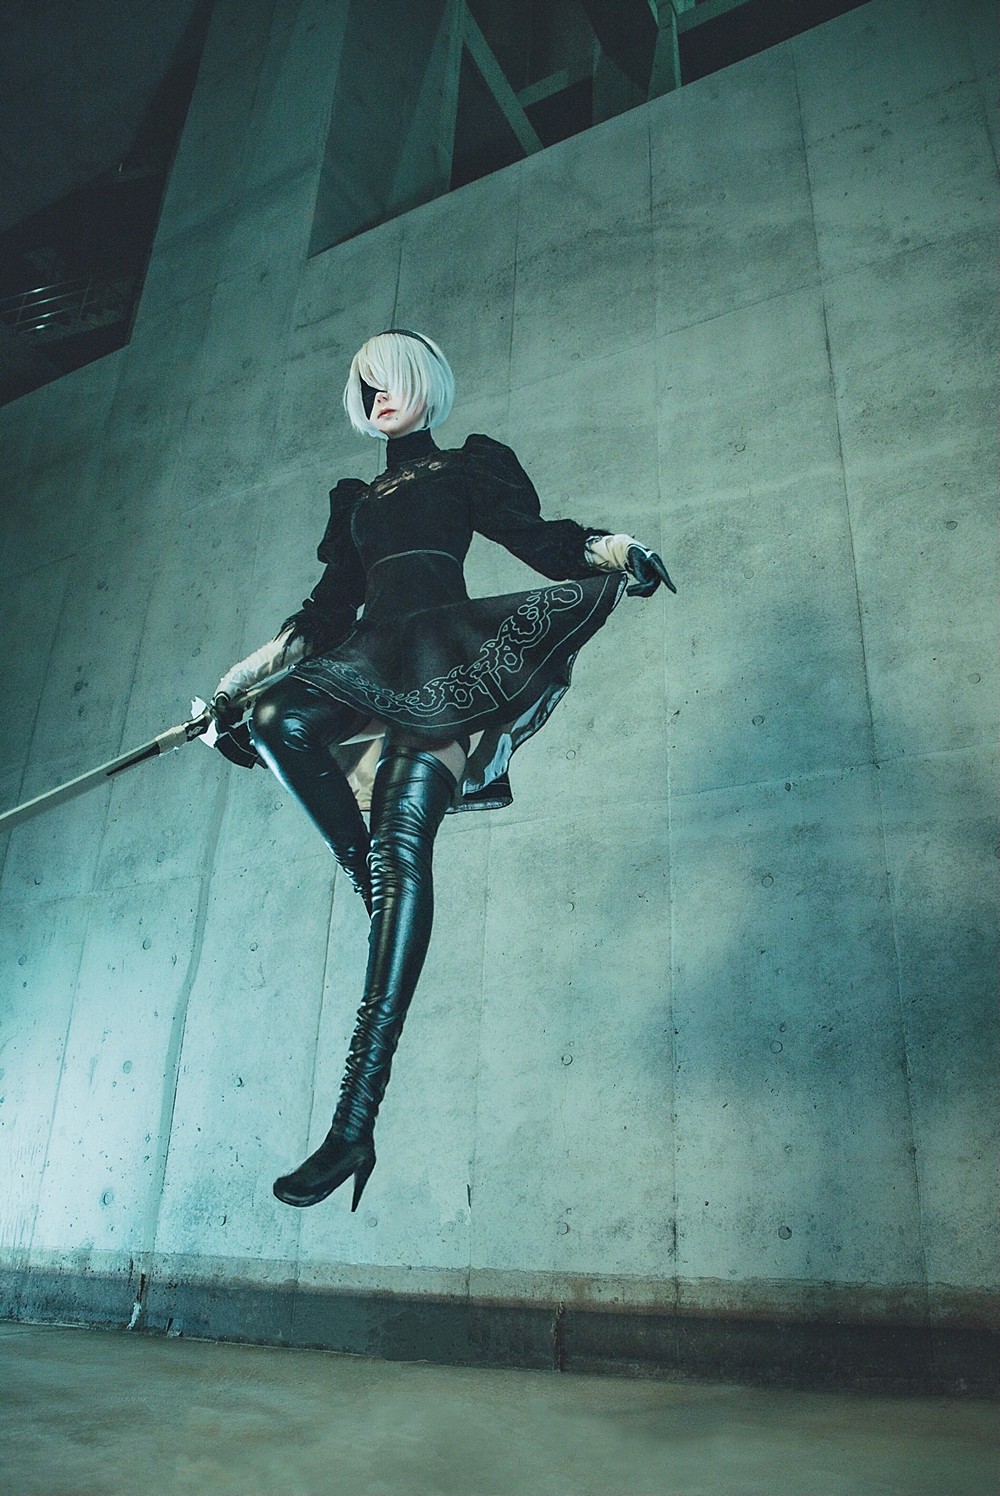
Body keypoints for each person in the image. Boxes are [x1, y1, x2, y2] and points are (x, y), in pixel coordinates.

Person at [211, 329, 675, 1211]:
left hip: (447, 663)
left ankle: (353, 1125)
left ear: (425, 380)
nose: (378, 394)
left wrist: (615, 550)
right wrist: (238, 682)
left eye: (391, 378)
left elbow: (539, 540)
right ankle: (377, 885)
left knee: (402, 850)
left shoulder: (467, 466)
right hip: (362, 656)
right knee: (275, 721)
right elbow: (324, 611)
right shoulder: (354, 500)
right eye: (364, 385)